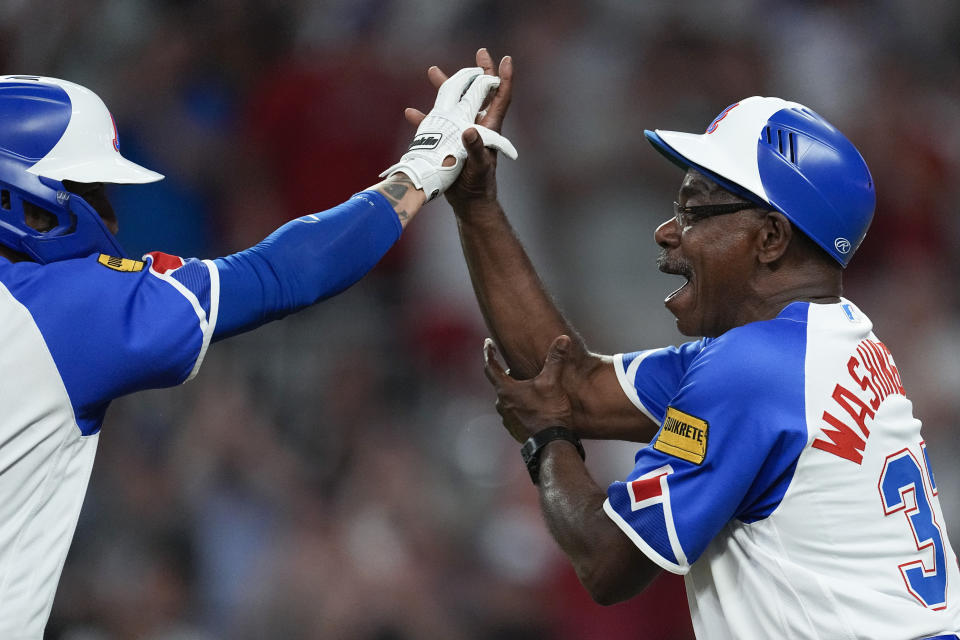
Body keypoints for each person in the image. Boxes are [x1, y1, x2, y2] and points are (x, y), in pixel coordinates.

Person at [434, 57, 960, 638]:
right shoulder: (826, 340)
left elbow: (608, 562)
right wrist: (478, 206)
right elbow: (572, 384)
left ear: (769, 239)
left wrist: (547, 440)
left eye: (694, 209)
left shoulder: (756, 370)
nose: (667, 230)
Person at [0, 53, 515, 636]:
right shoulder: (62, 309)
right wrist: (423, 168)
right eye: (87, 190)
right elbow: (285, 272)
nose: (111, 218)